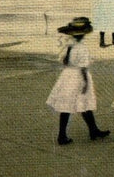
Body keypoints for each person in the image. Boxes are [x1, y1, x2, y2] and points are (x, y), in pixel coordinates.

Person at [46, 17, 110, 145]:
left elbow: (63, 60)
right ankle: (89, 131)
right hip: (79, 76)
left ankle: (69, 133)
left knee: (67, 105)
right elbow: (83, 66)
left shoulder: (68, 46)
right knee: (84, 102)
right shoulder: (82, 48)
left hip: (67, 76)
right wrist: (85, 82)